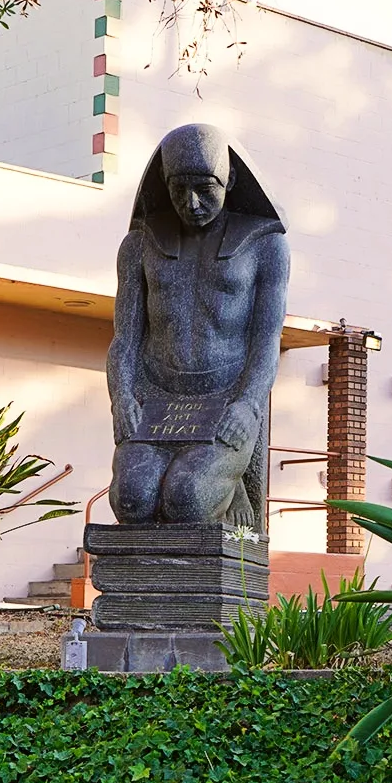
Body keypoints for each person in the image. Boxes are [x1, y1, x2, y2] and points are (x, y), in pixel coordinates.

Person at [106, 123, 290, 526]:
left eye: (205, 189)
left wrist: (248, 404)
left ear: (230, 180)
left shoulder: (265, 246)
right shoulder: (140, 245)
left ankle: (235, 489)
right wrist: (121, 399)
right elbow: (125, 339)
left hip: (225, 400)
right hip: (156, 398)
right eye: (178, 190)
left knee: (188, 501)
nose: (191, 203)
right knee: (131, 502)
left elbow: (265, 338)